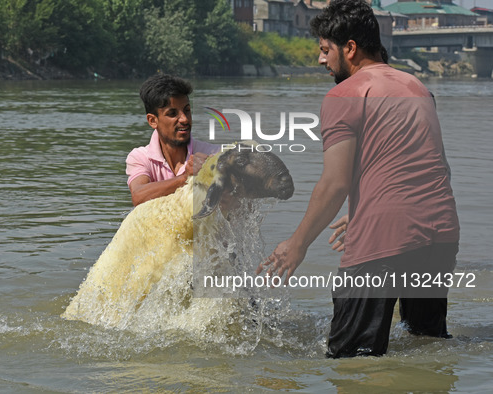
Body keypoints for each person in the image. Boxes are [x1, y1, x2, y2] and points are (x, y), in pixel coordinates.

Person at [257, 0, 460, 358]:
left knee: (350, 358)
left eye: (325, 50)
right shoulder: (417, 87)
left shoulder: (345, 94)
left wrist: (297, 244)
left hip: (385, 237)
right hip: (440, 234)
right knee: (426, 346)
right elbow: (430, 164)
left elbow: (334, 184)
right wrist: (367, 207)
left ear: (349, 48)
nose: (321, 60)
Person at [126, 74, 219, 206]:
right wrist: (186, 178)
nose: (185, 119)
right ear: (152, 121)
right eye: (172, 114)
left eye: (187, 110)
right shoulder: (140, 157)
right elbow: (138, 196)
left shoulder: (213, 155)